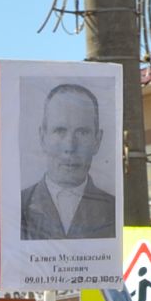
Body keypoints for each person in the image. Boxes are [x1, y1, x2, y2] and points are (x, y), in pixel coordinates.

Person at [20, 83, 113, 239]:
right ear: (43, 137)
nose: (70, 146)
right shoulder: (18, 207)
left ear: (97, 141)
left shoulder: (115, 210)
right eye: (60, 131)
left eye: (82, 132)